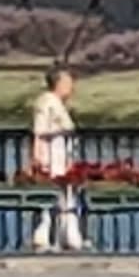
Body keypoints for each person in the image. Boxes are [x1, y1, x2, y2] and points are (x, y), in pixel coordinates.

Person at [27, 68, 85, 253]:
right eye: (68, 83)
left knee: (66, 194)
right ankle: (44, 237)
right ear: (58, 84)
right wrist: (37, 156)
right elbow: (40, 131)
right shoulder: (46, 102)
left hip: (62, 155)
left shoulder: (58, 103)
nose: (71, 88)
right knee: (49, 195)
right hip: (52, 155)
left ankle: (67, 236)